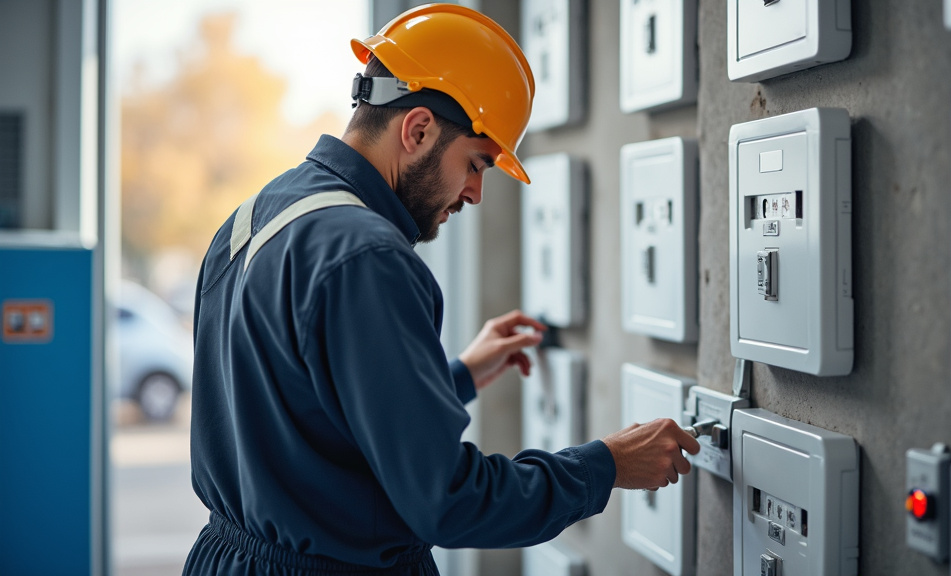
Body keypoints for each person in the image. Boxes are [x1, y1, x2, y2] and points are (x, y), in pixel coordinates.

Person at [183, 5, 699, 575]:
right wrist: (605, 466)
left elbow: (307, 419)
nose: (475, 193)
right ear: (419, 129)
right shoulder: (370, 257)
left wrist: (457, 377)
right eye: (477, 163)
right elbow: (450, 502)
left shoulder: (257, 215)